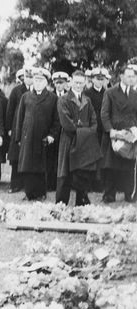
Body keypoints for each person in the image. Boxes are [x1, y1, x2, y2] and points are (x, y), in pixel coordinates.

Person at [56, 70, 102, 206]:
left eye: (81, 83)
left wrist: (86, 132)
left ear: (85, 84)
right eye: (76, 82)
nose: (78, 85)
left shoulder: (87, 100)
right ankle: (61, 204)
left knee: (82, 172)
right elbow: (66, 123)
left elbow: (94, 121)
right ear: (70, 82)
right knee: (64, 173)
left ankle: (81, 204)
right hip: (69, 141)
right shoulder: (63, 100)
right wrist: (84, 130)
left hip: (84, 143)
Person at [14, 68, 60, 201]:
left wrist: (52, 135)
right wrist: (18, 138)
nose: (38, 82)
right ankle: (29, 193)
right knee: (27, 166)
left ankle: (40, 193)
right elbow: (20, 118)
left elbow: (57, 121)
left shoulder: (53, 98)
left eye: (41, 80)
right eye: (36, 80)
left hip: (43, 138)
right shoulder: (26, 97)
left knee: (41, 167)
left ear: (46, 82)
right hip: (27, 138)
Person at [100, 65, 137, 203]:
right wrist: (111, 131)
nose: (131, 79)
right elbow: (104, 114)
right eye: (128, 76)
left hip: (130, 135)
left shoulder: (135, 94)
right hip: (114, 134)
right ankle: (109, 195)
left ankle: (129, 194)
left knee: (128, 165)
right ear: (121, 77)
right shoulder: (110, 92)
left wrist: (135, 130)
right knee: (111, 166)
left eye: (133, 76)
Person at [6, 68, 33, 193]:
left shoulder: (37, 91)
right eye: (27, 77)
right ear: (23, 78)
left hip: (31, 129)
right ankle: (15, 184)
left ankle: (28, 184)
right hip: (17, 128)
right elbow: (10, 110)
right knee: (16, 157)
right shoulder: (16, 91)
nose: (29, 79)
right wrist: (10, 129)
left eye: (31, 77)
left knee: (29, 156)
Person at [83, 67, 108, 193]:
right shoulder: (87, 93)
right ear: (92, 79)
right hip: (91, 129)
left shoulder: (107, 93)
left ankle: (99, 182)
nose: (99, 82)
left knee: (101, 155)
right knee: (90, 156)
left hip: (103, 129)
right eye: (97, 79)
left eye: (101, 79)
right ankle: (89, 183)